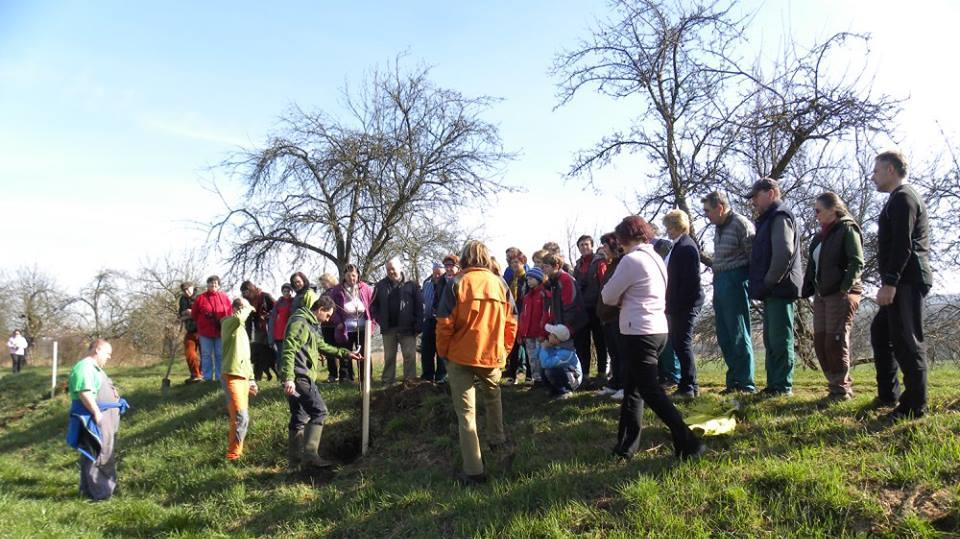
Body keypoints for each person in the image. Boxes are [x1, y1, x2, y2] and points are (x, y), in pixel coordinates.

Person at [601, 216, 705, 461]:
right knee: (633, 390)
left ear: (624, 238)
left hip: (639, 332)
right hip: (658, 330)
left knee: (650, 391)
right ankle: (626, 447)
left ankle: (688, 441)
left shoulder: (631, 260)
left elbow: (607, 295)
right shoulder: (655, 257)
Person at [435, 240, 517, 484]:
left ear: (464, 258)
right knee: (493, 399)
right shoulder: (500, 283)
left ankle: (474, 470)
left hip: (460, 356)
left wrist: (444, 353)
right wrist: (505, 350)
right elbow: (512, 322)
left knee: (467, 415)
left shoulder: (456, 283)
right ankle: (497, 441)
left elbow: (444, 324)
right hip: (492, 355)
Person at [870, 151, 933, 420]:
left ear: (891, 170)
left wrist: (890, 283)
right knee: (881, 331)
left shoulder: (904, 198)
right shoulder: (896, 200)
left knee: (908, 341)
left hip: (907, 280)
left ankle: (914, 407)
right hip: (901, 280)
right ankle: (888, 394)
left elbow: (902, 245)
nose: (873, 176)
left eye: (876, 171)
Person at [280, 291, 362, 469]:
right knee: (320, 411)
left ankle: (294, 464)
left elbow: (322, 346)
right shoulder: (300, 323)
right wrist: (289, 378)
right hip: (299, 377)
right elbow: (288, 350)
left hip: (297, 377)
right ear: (320, 309)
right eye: (328, 315)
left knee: (299, 416)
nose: (327, 319)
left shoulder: (310, 324)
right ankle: (310, 456)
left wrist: (346, 354)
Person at [801, 192, 864, 401]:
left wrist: (845, 287)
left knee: (835, 341)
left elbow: (857, 262)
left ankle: (842, 389)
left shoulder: (847, 228)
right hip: (822, 294)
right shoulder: (820, 236)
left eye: (818, 210)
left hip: (841, 293)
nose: (815, 215)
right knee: (820, 341)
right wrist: (807, 288)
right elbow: (813, 265)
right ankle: (833, 386)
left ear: (832, 209)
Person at [747, 178, 803, 397]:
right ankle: (774, 385)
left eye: (756, 196)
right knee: (772, 338)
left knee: (780, 339)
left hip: (779, 288)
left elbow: (783, 254)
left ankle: (782, 387)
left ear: (770, 193)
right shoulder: (770, 218)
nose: (753, 202)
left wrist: (768, 282)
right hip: (773, 289)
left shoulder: (779, 217)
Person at [702, 191, 757, 394]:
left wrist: (749, 283)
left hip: (736, 279)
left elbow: (753, 256)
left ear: (720, 208)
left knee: (738, 332)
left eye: (708, 210)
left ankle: (745, 383)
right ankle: (733, 381)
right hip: (720, 280)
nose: (706, 215)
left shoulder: (741, 224)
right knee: (724, 334)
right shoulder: (719, 227)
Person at [66, 339, 127, 500]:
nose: (109, 357)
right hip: (95, 417)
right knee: (98, 453)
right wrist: (96, 413)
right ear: (97, 350)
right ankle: (100, 494)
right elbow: (84, 392)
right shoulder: (85, 367)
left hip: (105, 417)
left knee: (98, 452)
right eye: (108, 353)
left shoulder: (96, 369)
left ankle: (89, 492)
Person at [662, 210, 705, 399]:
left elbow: (690, 281)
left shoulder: (687, 247)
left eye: (670, 226)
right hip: (676, 304)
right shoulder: (677, 246)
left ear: (679, 225)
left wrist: (678, 304)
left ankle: (689, 385)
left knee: (683, 343)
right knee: (679, 344)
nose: (668, 231)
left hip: (685, 304)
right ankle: (687, 384)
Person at [371, 257, 423, 384]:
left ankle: (410, 382)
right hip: (388, 328)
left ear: (400, 268)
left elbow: (420, 306)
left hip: (408, 328)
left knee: (409, 356)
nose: (390, 272)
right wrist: (380, 319)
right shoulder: (380, 285)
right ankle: (388, 381)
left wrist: (418, 325)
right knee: (389, 357)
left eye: (393, 269)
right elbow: (373, 306)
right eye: (388, 269)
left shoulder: (412, 285)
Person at [220, 298, 259, 460]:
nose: (246, 311)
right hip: (231, 376)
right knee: (240, 417)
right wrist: (248, 307)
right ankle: (233, 456)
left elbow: (246, 357)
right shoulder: (228, 322)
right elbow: (238, 317)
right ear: (235, 308)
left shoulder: (242, 331)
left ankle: (236, 453)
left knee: (242, 417)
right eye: (242, 308)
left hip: (244, 377)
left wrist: (252, 380)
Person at [542, 253, 588, 385]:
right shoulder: (554, 282)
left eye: (546, 266)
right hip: (563, 324)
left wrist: (564, 329)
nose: (544, 270)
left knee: (575, 353)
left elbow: (570, 305)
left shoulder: (565, 280)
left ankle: (577, 379)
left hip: (573, 325)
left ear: (556, 266)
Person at [329, 264, 375, 384]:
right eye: (348, 275)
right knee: (346, 354)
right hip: (345, 328)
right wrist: (338, 322)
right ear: (344, 276)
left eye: (354, 275)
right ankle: (346, 378)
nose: (351, 278)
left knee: (364, 353)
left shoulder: (365, 288)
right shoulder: (337, 290)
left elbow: (372, 307)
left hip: (363, 327)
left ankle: (365, 379)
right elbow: (331, 309)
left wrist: (372, 325)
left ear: (358, 275)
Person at [573, 235, 609, 384]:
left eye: (586, 244)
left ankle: (601, 373)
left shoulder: (599, 262)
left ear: (592, 245)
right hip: (582, 309)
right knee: (583, 343)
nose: (584, 247)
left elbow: (604, 283)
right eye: (581, 245)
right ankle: (585, 374)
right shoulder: (578, 265)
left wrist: (603, 306)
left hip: (596, 308)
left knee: (601, 341)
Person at [595, 233, 625, 401]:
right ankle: (615, 383)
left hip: (617, 315)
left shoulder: (622, 264)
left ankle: (623, 385)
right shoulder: (611, 264)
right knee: (613, 353)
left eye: (606, 246)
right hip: (607, 317)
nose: (604, 250)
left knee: (621, 353)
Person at [191, 275, 232, 384]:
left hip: (220, 331)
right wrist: (201, 324)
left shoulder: (224, 297)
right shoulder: (200, 298)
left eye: (215, 283)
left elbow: (230, 313)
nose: (213, 285)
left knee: (220, 354)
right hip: (205, 332)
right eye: (211, 283)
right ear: (207, 284)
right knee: (206, 354)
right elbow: (194, 314)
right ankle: (208, 377)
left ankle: (220, 377)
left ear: (218, 286)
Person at [652, 236, 681, 388]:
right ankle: (664, 374)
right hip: (659, 302)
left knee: (669, 340)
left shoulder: (665, 246)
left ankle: (673, 375)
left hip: (669, 301)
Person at [517, 266, 549, 385]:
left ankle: (544, 379)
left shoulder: (543, 295)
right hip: (528, 334)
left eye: (531, 279)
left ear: (539, 279)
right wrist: (521, 333)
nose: (529, 281)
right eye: (527, 279)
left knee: (541, 357)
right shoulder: (526, 297)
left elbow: (546, 315)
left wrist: (543, 332)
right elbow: (523, 316)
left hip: (539, 334)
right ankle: (537, 379)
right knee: (532, 358)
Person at [240, 280, 276, 382]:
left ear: (251, 289)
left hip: (270, 328)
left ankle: (281, 375)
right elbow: (247, 320)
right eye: (243, 293)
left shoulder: (265, 296)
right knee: (258, 355)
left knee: (272, 353)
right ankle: (257, 377)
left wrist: (268, 315)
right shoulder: (247, 302)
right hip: (259, 330)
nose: (245, 295)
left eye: (246, 292)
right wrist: (247, 336)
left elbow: (277, 308)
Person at [504, 253, 530, 384]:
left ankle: (529, 376)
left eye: (517, 262)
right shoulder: (509, 280)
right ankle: (512, 375)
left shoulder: (527, 278)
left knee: (527, 346)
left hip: (525, 315)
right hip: (512, 316)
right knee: (513, 347)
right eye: (512, 262)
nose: (515, 264)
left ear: (523, 262)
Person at [540, 324, 583, 398]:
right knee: (543, 370)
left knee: (551, 370)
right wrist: (544, 347)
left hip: (573, 380)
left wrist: (544, 348)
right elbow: (540, 358)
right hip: (566, 374)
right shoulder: (555, 347)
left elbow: (545, 363)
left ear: (557, 339)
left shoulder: (566, 352)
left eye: (551, 334)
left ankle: (565, 391)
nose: (548, 336)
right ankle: (554, 390)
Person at [421, 262, 447, 383]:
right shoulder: (427, 285)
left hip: (442, 322)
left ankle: (441, 376)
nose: (437, 276)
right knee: (426, 350)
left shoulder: (448, 285)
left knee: (441, 350)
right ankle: (427, 375)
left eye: (440, 274)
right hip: (429, 320)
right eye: (435, 273)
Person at [317, 273, 343, 383]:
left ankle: (344, 375)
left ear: (331, 280)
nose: (323, 284)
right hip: (326, 325)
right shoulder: (322, 294)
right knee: (328, 351)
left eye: (325, 282)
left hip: (336, 325)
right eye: (322, 283)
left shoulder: (337, 291)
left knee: (339, 349)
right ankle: (332, 374)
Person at [178, 282, 203, 383]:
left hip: (202, 330)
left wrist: (191, 313)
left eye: (188, 289)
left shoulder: (201, 297)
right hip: (190, 330)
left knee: (204, 354)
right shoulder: (182, 299)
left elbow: (203, 313)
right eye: (184, 290)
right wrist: (184, 314)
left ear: (193, 287)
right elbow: (180, 314)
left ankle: (202, 374)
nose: (186, 291)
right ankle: (195, 374)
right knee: (189, 353)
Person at [267, 283, 294, 367]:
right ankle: (281, 374)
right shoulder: (278, 303)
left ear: (291, 291)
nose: (286, 293)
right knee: (280, 355)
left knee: (290, 354)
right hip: (279, 334)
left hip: (290, 332)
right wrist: (271, 337)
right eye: (284, 291)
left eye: (288, 291)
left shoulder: (294, 302)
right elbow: (272, 319)